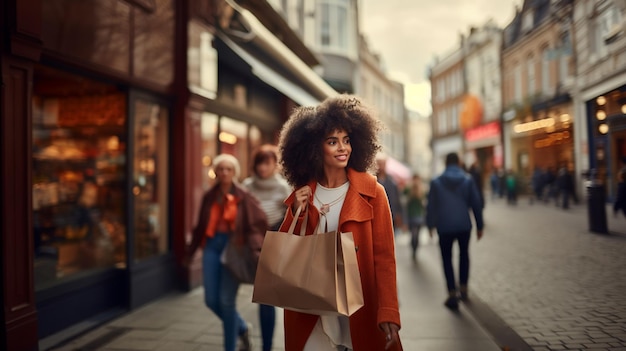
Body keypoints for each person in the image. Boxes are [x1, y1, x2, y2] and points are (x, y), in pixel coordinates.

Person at [277, 95, 402, 351]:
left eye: (346, 140)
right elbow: (286, 250)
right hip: (311, 307)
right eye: (332, 142)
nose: (342, 148)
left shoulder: (373, 192)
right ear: (314, 148)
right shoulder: (304, 193)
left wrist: (388, 310)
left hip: (358, 306)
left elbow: (385, 258)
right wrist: (297, 212)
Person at [186, 154, 268, 351]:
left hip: (234, 248)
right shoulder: (209, 196)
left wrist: (255, 246)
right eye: (220, 169)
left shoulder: (244, 196)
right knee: (211, 300)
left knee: (226, 301)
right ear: (215, 171)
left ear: (234, 172)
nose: (224, 172)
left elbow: (259, 223)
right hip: (212, 246)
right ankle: (242, 328)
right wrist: (190, 254)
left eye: (228, 169)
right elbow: (199, 227)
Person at [242, 145, 292, 351]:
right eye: (259, 163)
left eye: (267, 163)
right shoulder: (247, 185)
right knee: (262, 296)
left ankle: (267, 346)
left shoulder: (283, 187)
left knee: (265, 297)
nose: (263, 168)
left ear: (275, 165)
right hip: (251, 243)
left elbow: (290, 216)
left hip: (273, 242)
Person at [426, 152, 484, 311]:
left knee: (446, 258)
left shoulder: (436, 182)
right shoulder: (467, 180)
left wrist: (430, 225)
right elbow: (476, 203)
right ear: (458, 162)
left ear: (446, 163)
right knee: (464, 254)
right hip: (464, 225)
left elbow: (431, 205)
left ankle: (452, 293)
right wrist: (480, 226)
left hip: (444, 226)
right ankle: (464, 288)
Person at [376, 153, 403, 234]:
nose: (381, 166)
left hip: (391, 215)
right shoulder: (372, 180)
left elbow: (397, 200)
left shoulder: (392, 182)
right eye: (379, 163)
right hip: (376, 216)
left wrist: (399, 215)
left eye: (383, 163)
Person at [404, 174, 425, 260]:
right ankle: (414, 248)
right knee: (414, 234)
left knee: (416, 234)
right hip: (412, 215)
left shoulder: (422, 190)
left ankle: (415, 249)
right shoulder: (409, 189)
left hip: (418, 215)